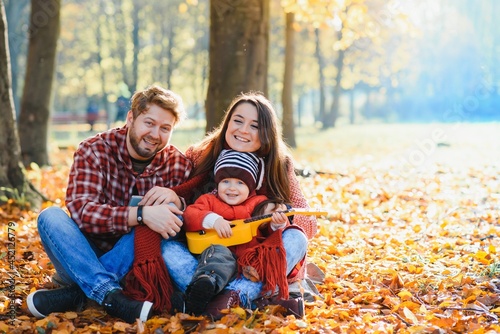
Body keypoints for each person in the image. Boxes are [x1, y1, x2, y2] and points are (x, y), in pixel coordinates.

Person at [26, 85, 192, 324]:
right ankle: (111, 296)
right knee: (50, 216)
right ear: (131, 118)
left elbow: (180, 222)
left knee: (150, 229)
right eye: (149, 123)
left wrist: (177, 201)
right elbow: (82, 212)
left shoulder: (178, 164)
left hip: (133, 265)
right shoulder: (93, 150)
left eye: (165, 128)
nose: (155, 134)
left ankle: (82, 294)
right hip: (80, 255)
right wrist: (142, 214)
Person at [163, 92, 315, 318]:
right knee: (166, 247)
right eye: (238, 120)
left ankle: (231, 296)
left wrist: (283, 217)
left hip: (251, 263)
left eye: (254, 125)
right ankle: (249, 298)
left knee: (297, 238)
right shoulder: (201, 154)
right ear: (227, 122)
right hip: (207, 257)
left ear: (266, 134)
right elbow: (184, 204)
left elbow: (309, 222)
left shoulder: (279, 165)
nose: (243, 130)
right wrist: (174, 197)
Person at [182, 149, 302, 316]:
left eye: (240, 183)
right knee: (218, 254)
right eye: (225, 181)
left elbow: (268, 234)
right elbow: (189, 215)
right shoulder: (209, 200)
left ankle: (241, 297)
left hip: (249, 266)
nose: (232, 188)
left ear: (251, 186)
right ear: (217, 183)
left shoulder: (259, 203)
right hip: (220, 263)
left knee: (288, 243)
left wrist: (276, 224)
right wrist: (213, 220)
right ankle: (205, 286)